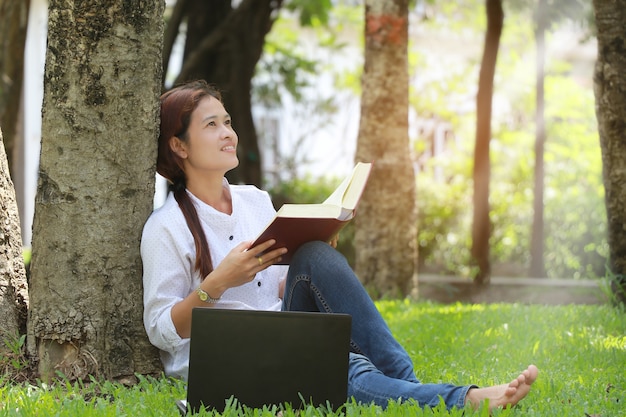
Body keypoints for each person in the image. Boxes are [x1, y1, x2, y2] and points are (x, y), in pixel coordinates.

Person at [141, 80, 538, 412]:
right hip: (227, 358)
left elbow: (277, 287)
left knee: (316, 255)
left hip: (279, 330)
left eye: (227, 121)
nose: (228, 133)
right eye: (212, 125)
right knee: (342, 368)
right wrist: (219, 282)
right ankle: (467, 400)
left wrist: (314, 242)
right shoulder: (167, 227)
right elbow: (162, 331)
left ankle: (404, 382)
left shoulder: (254, 200)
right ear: (179, 145)